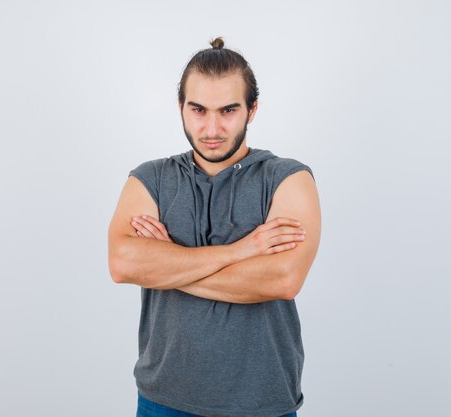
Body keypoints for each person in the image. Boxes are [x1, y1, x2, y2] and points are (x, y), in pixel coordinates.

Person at [108, 37, 321, 417]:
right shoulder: (150, 179)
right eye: (198, 110)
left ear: (252, 110)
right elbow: (124, 264)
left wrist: (166, 266)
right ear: (180, 108)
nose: (211, 127)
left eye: (228, 110)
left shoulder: (288, 179)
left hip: (262, 402)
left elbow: (282, 280)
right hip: (163, 399)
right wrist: (241, 251)